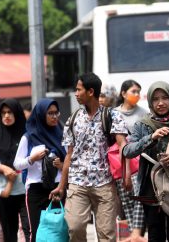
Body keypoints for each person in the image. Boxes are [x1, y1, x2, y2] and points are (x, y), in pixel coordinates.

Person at [50, 72, 128, 242]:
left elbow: (123, 146)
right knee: (74, 227)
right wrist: (61, 186)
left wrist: (127, 177)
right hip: (78, 183)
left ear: (90, 91)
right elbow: (69, 154)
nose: (76, 94)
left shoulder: (112, 116)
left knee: (107, 234)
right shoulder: (73, 119)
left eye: (79, 90)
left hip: (105, 184)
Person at [122, 81, 169, 242]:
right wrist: (151, 138)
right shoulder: (142, 124)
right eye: (155, 99)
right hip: (150, 187)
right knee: (155, 233)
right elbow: (127, 151)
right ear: (150, 102)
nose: (160, 103)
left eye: (165, 98)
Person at [14, 98, 66, 242]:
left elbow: (70, 161)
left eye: (56, 113)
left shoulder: (62, 134)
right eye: (50, 113)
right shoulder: (29, 137)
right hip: (36, 190)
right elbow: (17, 164)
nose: (54, 116)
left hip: (57, 188)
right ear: (41, 115)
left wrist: (62, 165)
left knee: (58, 231)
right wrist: (32, 158)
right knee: (36, 232)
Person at [0, 98, 29, 242]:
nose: (6, 116)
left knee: (29, 229)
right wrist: (1, 167)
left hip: (25, 190)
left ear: (17, 113)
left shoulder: (27, 134)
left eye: (10, 112)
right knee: (9, 232)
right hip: (4, 191)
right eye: (3, 113)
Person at [113, 80, 148, 237]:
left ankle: (137, 234)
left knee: (139, 198)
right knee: (126, 202)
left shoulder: (143, 113)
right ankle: (131, 237)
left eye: (138, 92)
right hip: (118, 162)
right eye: (133, 91)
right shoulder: (114, 113)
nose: (137, 95)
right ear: (123, 93)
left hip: (139, 163)